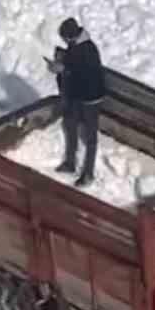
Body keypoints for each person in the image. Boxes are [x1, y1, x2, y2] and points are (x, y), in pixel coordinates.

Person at [52, 17, 105, 189]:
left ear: (70, 36)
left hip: (90, 99)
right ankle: (70, 162)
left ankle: (88, 173)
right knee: (70, 126)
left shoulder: (88, 50)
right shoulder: (76, 47)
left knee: (90, 138)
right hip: (77, 97)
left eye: (65, 38)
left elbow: (84, 76)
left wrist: (64, 69)